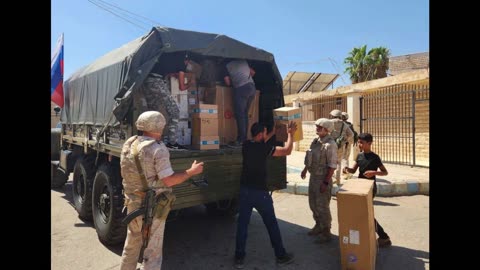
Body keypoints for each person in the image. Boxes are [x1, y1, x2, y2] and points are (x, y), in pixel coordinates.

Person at [119, 111, 204, 270]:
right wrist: (191, 172)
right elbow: (169, 180)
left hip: (132, 203)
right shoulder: (158, 149)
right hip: (151, 206)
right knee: (153, 251)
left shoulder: (129, 143)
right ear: (159, 127)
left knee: (131, 245)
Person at [234, 121, 297, 269]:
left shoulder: (246, 145)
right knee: (271, 224)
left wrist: (272, 132)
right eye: (264, 132)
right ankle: (281, 255)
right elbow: (287, 150)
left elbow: (260, 142)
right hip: (260, 193)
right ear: (261, 133)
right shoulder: (266, 148)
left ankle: (239, 258)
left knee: (242, 225)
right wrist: (290, 134)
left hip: (245, 191)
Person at [342, 133, 392, 248]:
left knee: (366, 213)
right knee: (359, 212)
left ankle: (384, 237)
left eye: (362, 143)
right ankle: (364, 236)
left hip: (370, 188)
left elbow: (385, 172)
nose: (359, 145)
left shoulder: (375, 157)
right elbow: (353, 170)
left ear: (369, 143)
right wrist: (347, 169)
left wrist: (374, 173)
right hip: (359, 186)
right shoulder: (359, 156)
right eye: (358, 142)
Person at [143, 52, 193, 149]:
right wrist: (190, 83)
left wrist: (174, 74)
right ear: (187, 61)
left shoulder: (171, 55)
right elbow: (182, 87)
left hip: (146, 80)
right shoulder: (182, 64)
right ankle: (172, 143)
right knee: (175, 111)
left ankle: (150, 141)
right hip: (157, 81)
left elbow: (165, 68)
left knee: (153, 112)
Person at [300, 118, 337, 243]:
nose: (317, 129)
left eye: (319, 127)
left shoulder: (330, 145)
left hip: (322, 179)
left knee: (323, 206)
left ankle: (326, 231)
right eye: (316, 127)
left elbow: (332, 166)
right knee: (313, 203)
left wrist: (326, 182)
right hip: (313, 177)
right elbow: (310, 157)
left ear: (327, 130)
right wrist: (305, 169)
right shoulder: (316, 141)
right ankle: (318, 225)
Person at [223, 59, 257, 146]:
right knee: (245, 114)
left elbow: (227, 82)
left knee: (240, 115)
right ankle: (245, 138)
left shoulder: (226, 66)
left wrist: (234, 82)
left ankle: (241, 139)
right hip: (252, 87)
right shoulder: (243, 61)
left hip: (241, 88)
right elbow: (253, 72)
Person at [329, 109, 354, 185]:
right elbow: (351, 134)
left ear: (332, 115)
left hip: (330, 145)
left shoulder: (329, 122)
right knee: (338, 163)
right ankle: (338, 180)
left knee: (329, 162)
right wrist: (345, 140)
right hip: (340, 146)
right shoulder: (344, 124)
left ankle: (332, 179)